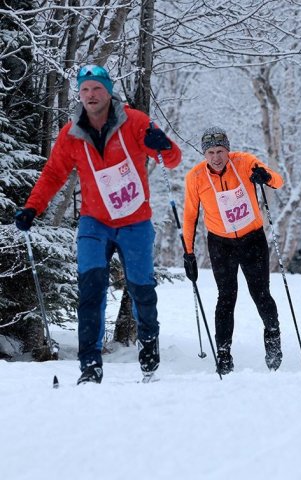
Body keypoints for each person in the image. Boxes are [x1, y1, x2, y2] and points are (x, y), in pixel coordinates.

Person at [14, 64, 182, 384]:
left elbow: (171, 159)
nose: (90, 95)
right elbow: (53, 174)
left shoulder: (135, 122)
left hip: (135, 222)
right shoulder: (72, 133)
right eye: (85, 90)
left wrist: (163, 144)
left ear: (108, 91)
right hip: (94, 222)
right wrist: (32, 208)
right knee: (90, 290)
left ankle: (148, 350)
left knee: (141, 290)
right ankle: (89, 366)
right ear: (79, 94)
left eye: (97, 89)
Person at [182, 126, 283, 374]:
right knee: (226, 297)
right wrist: (189, 253)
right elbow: (190, 217)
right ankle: (224, 353)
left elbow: (277, 181)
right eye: (210, 152)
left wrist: (264, 176)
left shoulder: (245, 162)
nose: (216, 157)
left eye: (220, 151)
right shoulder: (195, 178)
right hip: (221, 243)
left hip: (252, 239)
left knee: (261, 293)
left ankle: (273, 338)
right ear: (204, 154)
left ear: (227, 150)